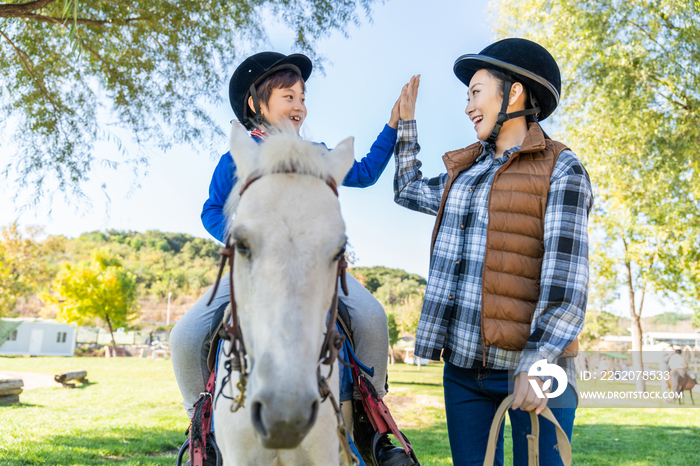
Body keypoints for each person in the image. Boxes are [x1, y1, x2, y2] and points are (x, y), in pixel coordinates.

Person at [170, 51, 409, 466]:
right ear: (256, 104)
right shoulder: (237, 158)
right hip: (254, 266)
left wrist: (393, 124)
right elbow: (211, 209)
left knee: (370, 317)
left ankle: (374, 425)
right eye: (288, 96)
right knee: (185, 337)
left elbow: (367, 171)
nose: (299, 106)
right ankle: (203, 430)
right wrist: (249, 241)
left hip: (313, 267)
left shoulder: (315, 153)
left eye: (302, 97)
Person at [393, 38, 592, 465]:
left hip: (536, 372)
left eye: (476, 92)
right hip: (464, 373)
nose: (468, 106)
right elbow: (408, 189)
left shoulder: (562, 169)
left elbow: (566, 283)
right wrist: (406, 124)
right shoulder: (465, 173)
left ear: (514, 92)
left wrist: (538, 365)